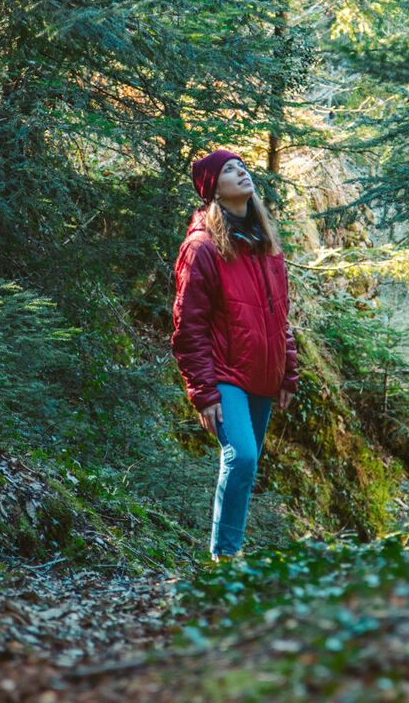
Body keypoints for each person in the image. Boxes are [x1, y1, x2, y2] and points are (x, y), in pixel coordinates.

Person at [171, 148, 299, 560]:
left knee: (248, 466)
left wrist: (288, 371)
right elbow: (187, 327)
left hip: (262, 375)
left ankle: (230, 554)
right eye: (229, 169)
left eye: (241, 166)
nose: (241, 172)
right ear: (213, 189)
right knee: (241, 457)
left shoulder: (265, 244)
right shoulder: (203, 248)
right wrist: (204, 392)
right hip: (225, 373)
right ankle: (224, 557)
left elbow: (281, 318)